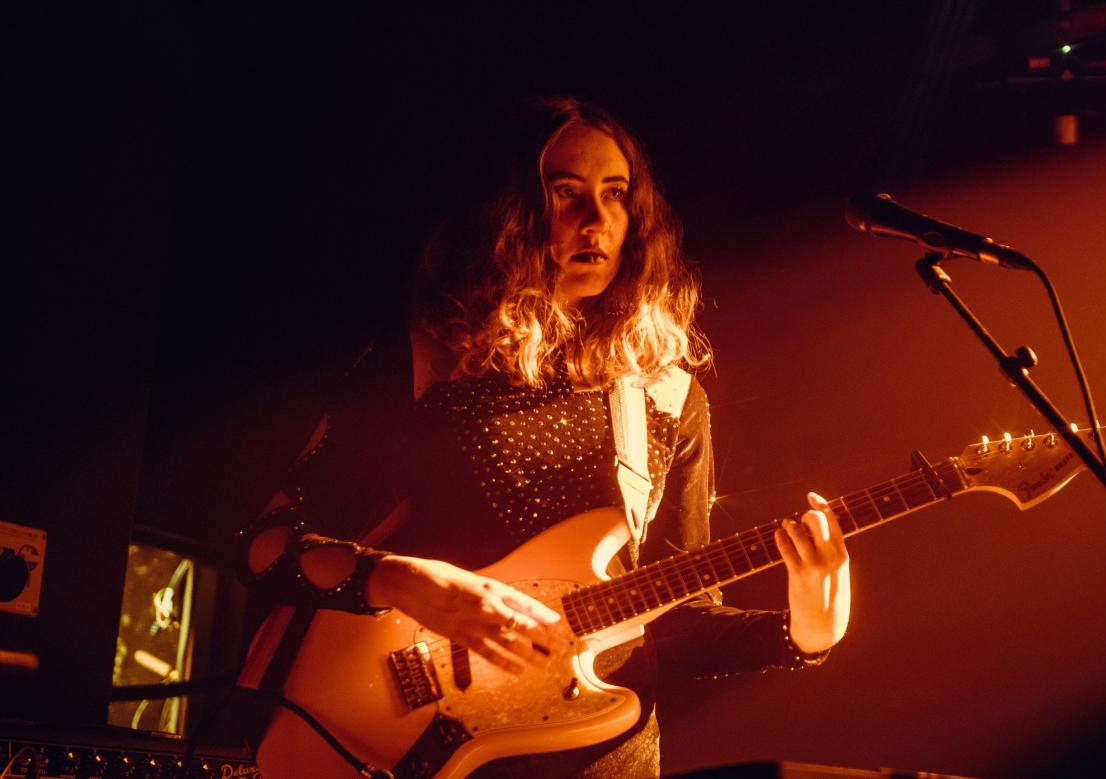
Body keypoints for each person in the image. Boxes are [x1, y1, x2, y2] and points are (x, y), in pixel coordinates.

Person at [237, 97, 850, 778]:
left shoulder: (669, 395)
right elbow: (266, 546)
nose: (597, 221)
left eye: (616, 195)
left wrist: (810, 626)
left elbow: (675, 623)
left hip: (603, 754)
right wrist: (404, 581)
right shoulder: (429, 360)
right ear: (506, 214)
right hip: (403, 738)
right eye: (565, 193)